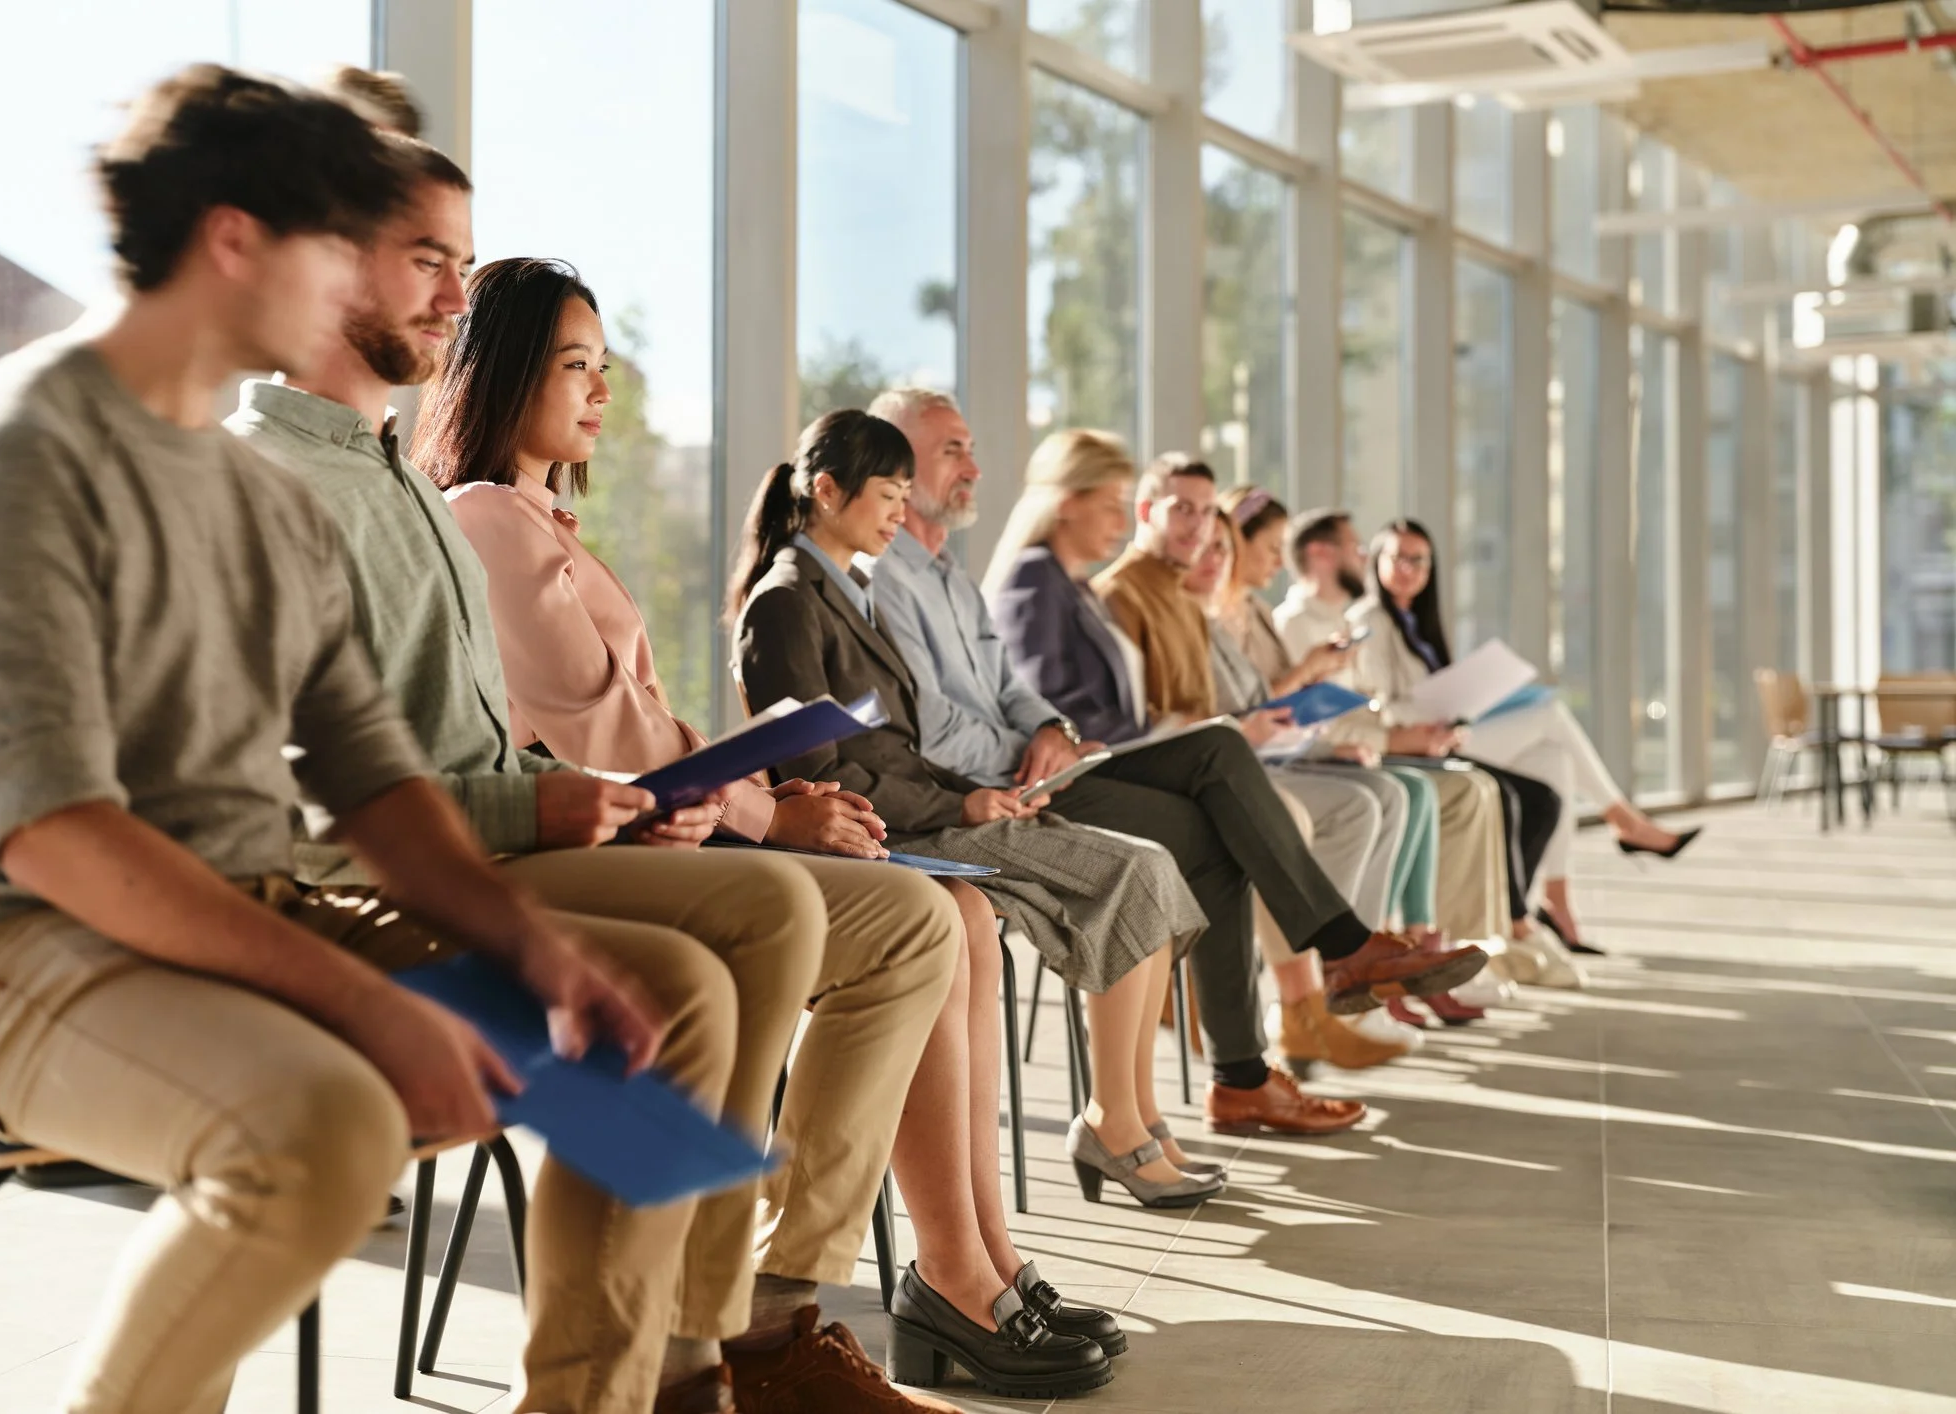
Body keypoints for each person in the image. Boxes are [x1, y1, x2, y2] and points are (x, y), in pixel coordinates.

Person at [0, 68, 705, 1414]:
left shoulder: (258, 490)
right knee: (319, 1128)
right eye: (344, 248)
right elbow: (54, 835)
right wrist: (370, 1000)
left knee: (647, 989)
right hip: (15, 948)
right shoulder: (13, 450)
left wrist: (534, 949)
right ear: (235, 240)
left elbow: (370, 771)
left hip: (244, 902)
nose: (371, 287)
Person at [229, 144, 962, 1408]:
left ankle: (706, 1346)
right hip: (402, 884)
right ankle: (700, 1350)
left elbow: (511, 740)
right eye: (429, 263)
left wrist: (575, 790)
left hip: (516, 834)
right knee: (772, 933)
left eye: (463, 269)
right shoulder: (339, 492)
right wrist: (583, 797)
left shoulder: (402, 484)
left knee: (886, 918)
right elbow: (330, 795)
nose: (452, 300)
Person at [402, 254, 1104, 1401]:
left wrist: (771, 803)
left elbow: (634, 719)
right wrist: (774, 810)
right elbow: (610, 731)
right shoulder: (486, 518)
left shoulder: (543, 519)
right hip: (589, 842)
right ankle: (793, 1305)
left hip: (648, 825)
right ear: (503, 370)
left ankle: (919, 1274)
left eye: (604, 366)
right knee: (921, 920)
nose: (599, 390)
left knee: (952, 912)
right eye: (573, 364)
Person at [730, 411, 1203, 1395]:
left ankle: (985, 1252)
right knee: (953, 918)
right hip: (866, 834)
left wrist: (965, 789)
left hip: (901, 818)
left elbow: (893, 741)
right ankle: (955, 1271)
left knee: (976, 918)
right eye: (888, 496)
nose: (901, 515)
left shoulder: (846, 593)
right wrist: (960, 800)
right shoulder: (788, 601)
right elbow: (822, 764)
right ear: (828, 489)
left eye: (909, 497)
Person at [875, 388, 1488, 1137]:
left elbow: (1018, 692)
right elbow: (944, 726)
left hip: (1059, 764)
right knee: (1220, 788)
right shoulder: (997, 581)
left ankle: (1267, 1047)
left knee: (1221, 799)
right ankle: (1302, 1001)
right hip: (1010, 790)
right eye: (953, 450)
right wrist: (1050, 741)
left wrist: (1051, 728)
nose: (975, 466)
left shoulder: (959, 577)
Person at [980, 434, 1418, 1069]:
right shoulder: (1035, 582)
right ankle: (1320, 976)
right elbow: (1049, 710)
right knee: (1219, 760)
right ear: (1067, 504)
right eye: (1111, 503)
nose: (1116, 518)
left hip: (1106, 759)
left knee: (1224, 811)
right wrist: (1175, 728)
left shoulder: (1069, 584)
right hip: (1070, 778)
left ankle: (1247, 1065)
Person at [1211, 484, 1517, 1023]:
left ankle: (1397, 957)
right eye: (1268, 548)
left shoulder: (1269, 615)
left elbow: (1297, 705)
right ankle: (1352, 967)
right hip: (1283, 758)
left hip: (1301, 750)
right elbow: (1267, 710)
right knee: (1397, 795)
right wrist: (1342, 704)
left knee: (1443, 791)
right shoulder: (1279, 619)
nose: (1276, 561)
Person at [1356, 519, 1699, 956]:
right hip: (1416, 743)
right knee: (1551, 717)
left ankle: (1556, 901)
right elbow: (1379, 706)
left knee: (1553, 761)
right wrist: (1437, 712)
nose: (1409, 569)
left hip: (1449, 733)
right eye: (1398, 558)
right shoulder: (1371, 620)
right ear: (1376, 562)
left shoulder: (1418, 624)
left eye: (1418, 560)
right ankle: (1624, 822)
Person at [1276, 507, 1578, 988]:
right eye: (1371, 551)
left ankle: (1447, 940)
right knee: (1448, 792)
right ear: (1323, 553)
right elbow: (1337, 716)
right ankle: (1406, 949)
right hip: (1351, 754)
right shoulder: (1331, 621)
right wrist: (1395, 736)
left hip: (1387, 746)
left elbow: (1357, 708)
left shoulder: (1371, 621)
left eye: (1420, 561)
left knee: (1523, 781)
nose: (1402, 568)